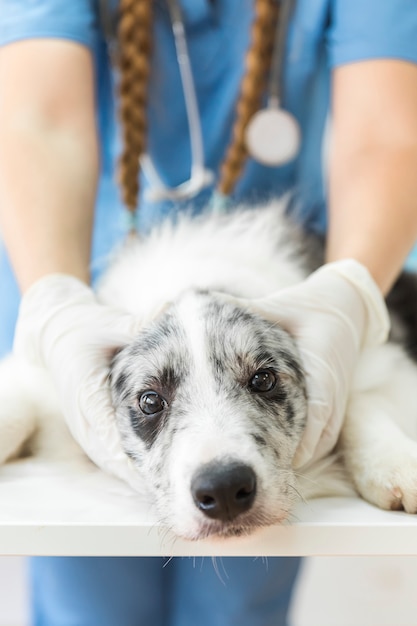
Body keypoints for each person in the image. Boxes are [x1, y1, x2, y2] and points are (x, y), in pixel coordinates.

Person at [0, 0, 416, 625]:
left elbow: (389, 131)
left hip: (292, 280)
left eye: (263, 379)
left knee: (237, 609)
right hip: (76, 274)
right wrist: (57, 308)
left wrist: (352, 293)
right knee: (89, 603)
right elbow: (36, 119)